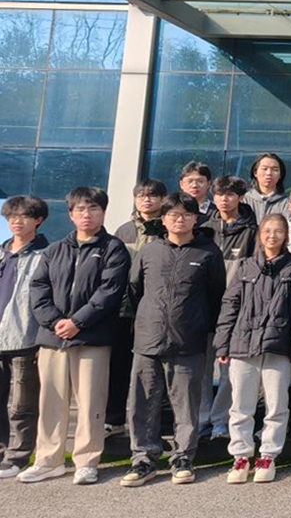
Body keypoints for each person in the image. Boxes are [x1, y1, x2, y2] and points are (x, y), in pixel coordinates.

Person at [22, 187, 129, 485]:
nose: (87, 214)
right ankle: (48, 460)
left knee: (91, 403)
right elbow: (38, 289)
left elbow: (109, 292)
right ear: (70, 214)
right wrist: (56, 321)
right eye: (80, 209)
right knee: (51, 402)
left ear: (103, 212)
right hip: (53, 338)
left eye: (93, 208)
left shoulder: (113, 248)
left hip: (92, 338)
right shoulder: (55, 249)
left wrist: (78, 322)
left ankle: (86, 460)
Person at [122, 193, 225, 487]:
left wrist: (204, 327)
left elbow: (216, 295)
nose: (179, 219)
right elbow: (135, 290)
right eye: (173, 214)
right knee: (143, 402)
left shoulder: (208, 253)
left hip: (189, 340)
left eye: (186, 214)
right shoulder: (150, 251)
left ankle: (183, 457)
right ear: (163, 219)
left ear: (196, 218)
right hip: (148, 339)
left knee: (186, 405)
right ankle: (143, 459)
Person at [214, 214, 291, 484]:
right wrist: (222, 343)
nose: (272, 236)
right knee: (241, 405)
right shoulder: (245, 266)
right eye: (267, 231)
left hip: (278, 346)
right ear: (260, 235)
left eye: (278, 231)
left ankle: (268, 456)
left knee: (277, 405)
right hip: (243, 344)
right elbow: (230, 305)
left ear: (286, 235)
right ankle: (240, 456)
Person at [197, 175, 258, 441]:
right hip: (203, 308)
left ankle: (220, 420)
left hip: (236, 310)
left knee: (229, 371)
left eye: (230, 194)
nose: (224, 199)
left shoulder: (252, 231)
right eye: (220, 194)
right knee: (202, 368)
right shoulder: (203, 228)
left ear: (240, 197)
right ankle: (202, 419)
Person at [110, 178, 166, 433]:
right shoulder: (124, 231)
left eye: (152, 195)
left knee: (153, 370)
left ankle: (153, 423)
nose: (146, 199)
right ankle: (114, 420)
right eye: (141, 195)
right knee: (119, 365)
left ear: (162, 199)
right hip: (124, 308)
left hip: (155, 310)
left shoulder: (167, 229)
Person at [0, 196, 49, 480]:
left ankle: (17, 456)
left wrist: (43, 337)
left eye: (24, 216)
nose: (17, 221)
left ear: (38, 220)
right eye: (12, 216)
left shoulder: (46, 254)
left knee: (22, 404)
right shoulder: (2, 252)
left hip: (26, 338)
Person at [245, 153, 288, 221]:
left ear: (280, 175)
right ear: (255, 172)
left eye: (275, 170)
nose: (269, 173)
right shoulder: (244, 200)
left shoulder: (287, 203)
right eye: (264, 169)